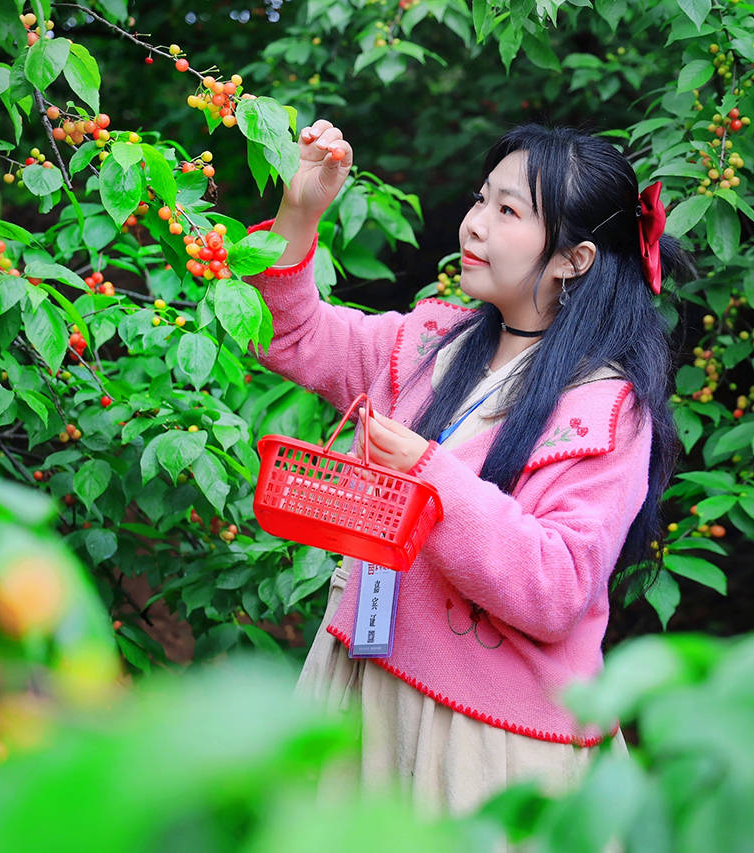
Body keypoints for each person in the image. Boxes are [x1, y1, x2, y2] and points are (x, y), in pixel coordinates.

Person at [243, 119, 692, 817]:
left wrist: (429, 472)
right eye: (482, 198)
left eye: (509, 211)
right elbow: (284, 332)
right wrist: (300, 210)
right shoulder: (428, 342)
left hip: (486, 739)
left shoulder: (604, 409)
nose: (475, 224)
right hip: (364, 687)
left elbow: (556, 587)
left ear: (573, 259)